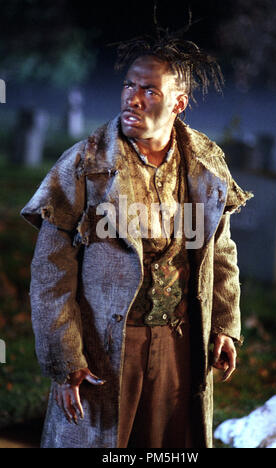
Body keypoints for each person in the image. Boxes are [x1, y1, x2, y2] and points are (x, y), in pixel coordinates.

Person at [20, 36, 254, 448]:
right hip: (106, 345)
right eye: (130, 86)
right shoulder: (86, 163)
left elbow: (221, 251)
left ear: (178, 103)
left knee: (171, 444)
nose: (134, 99)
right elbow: (51, 272)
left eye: (150, 90)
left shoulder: (205, 161)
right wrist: (65, 359)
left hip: (180, 344)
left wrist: (223, 326)